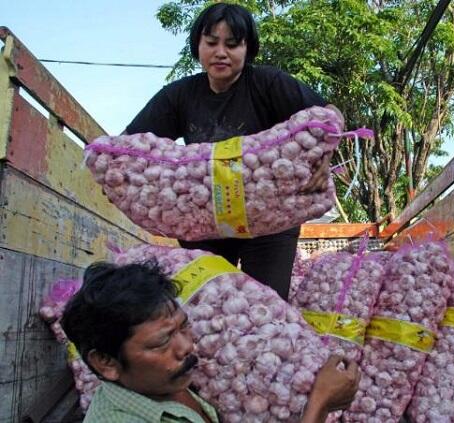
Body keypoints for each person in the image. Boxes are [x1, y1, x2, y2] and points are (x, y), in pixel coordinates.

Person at [124, 3, 342, 300]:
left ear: (247, 48)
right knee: (209, 302)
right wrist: (112, 173)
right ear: (197, 46)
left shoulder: (268, 83)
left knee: (269, 302)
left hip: (271, 220)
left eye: (232, 44)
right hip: (206, 221)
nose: (221, 52)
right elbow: (126, 145)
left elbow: (330, 116)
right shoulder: (178, 96)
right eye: (211, 42)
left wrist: (322, 157)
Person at [61, 261, 360, 422]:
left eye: (184, 326)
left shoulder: (163, 384)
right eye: (162, 341)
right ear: (106, 362)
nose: (187, 346)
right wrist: (320, 404)